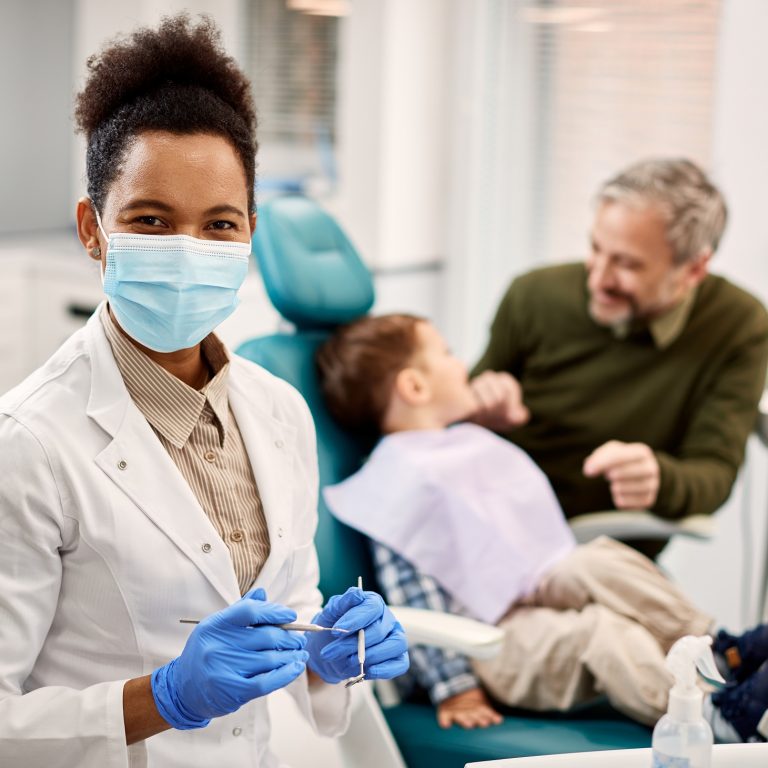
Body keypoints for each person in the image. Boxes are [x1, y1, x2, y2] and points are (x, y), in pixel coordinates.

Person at [0, 16, 407, 768]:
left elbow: (289, 605)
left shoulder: (279, 408)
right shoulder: (27, 443)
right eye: (151, 221)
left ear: (250, 232)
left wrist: (329, 650)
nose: (188, 252)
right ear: (93, 229)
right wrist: (164, 697)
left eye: (219, 224)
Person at [316, 312, 768, 742]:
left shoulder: (457, 444)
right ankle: (710, 715)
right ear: (414, 385)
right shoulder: (396, 481)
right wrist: (455, 686)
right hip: (487, 645)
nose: (463, 364)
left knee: (595, 562)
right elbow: (414, 596)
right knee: (600, 630)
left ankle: (720, 650)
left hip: (525, 595)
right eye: (448, 353)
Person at [470, 159, 768, 558]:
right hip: (489, 539)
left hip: (606, 561)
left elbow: (713, 472)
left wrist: (659, 480)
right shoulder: (533, 295)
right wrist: (478, 406)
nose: (598, 279)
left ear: (694, 268)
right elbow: (443, 425)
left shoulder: (737, 325)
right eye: (596, 249)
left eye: (627, 264)